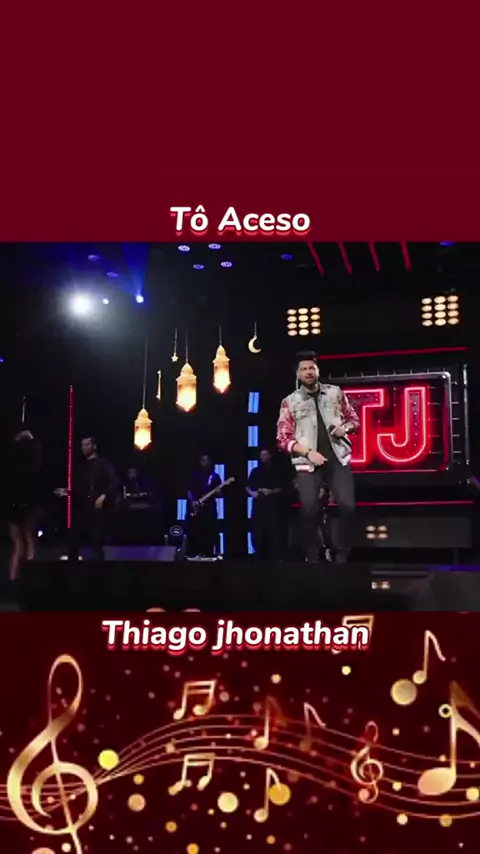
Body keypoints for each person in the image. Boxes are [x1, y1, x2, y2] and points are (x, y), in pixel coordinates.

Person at [277, 351, 360, 563]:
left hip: (337, 457)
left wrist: (345, 428)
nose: (308, 372)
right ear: (298, 374)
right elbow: (283, 439)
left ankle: (341, 552)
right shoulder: (290, 402)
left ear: (317, 371)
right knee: (309, 509)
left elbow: (354, 419)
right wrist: (308, 453)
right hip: (307, 462)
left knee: (347, 506)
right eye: (304, 369)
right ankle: (312, 555)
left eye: (311, 368)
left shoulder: (334, 393)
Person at [68, 436, 118, 561]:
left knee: (96, 540)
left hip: (97, 507)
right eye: (82, 445)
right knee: (74, 538)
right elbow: (80, 486)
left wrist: (103, 496)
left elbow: (114, 481)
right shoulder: (82, 465)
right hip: (82, 507)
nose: (84, 448)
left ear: (94, 446)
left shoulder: (103, 463)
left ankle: (98, 567)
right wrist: (67, 492)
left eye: (87, 445)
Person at [4, 428, 43, 580]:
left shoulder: (12, 467)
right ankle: (26, 578)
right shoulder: (30, 467)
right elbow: (37, 450)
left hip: (15, 505)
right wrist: (29, 438)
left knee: (19, 544)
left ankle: (15, 578)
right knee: (28, 541)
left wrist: (18, 439)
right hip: (25, 504)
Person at [246, 449, 283, 560]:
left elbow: (281, 488)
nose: (263, 457)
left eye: (265, 455)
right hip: (258, 503)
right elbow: (247, 486)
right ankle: (257, 553)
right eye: (261, 455)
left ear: (270, 456)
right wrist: (252, 493)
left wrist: (271, 492)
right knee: (257, 529)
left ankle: (274, 556)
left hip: (272, 503)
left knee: (272, 529)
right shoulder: (255, 471)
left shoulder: (275, 471)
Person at [187, 454, 222, 557]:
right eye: (203, 460)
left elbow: (219, 494)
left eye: (207, 460)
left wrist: (218, 492)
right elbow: (189, 490)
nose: (205, 463)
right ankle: (196, 552)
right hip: (198, 507)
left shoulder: (215, 476)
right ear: (200, 462)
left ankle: (212, 553)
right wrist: (193, 502)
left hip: (210, 507)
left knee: (212, 530)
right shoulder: (195, 476)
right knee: (197, 530)